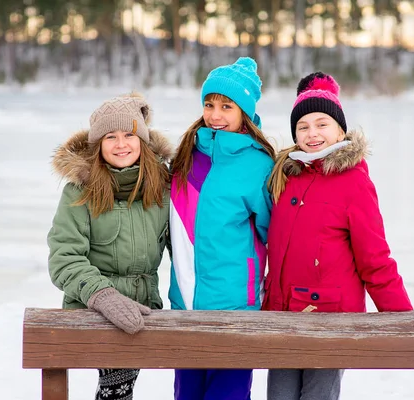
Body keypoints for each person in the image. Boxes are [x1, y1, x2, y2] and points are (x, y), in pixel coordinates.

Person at [263, 72, 413, 400]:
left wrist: (403, 322)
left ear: (340, 130)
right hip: (285, 318)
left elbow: (375, 259)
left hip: (331, 321)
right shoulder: (287, 176)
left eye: (322, 124)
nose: (312, 133)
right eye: (303, 126)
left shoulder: (354, 183)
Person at [47, 92, 173, 400]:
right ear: (98, 144)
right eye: (110, 137)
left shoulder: (163, 185)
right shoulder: (80, 191)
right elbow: (64, 258)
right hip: (94, 310)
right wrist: (102, 296)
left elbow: (187, 243)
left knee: (120, 389)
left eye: (129, 134)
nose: (121, 144)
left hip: (143, 310)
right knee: (115, 389)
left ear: (142, 140)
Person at [168, 57, 276, 400]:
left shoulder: (259, 163)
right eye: (209, 104)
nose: (215, 115)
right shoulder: (186, 155)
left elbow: (271, 232)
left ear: (244, 111)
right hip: (185, 304)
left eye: (226, 106)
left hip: (235, 309)